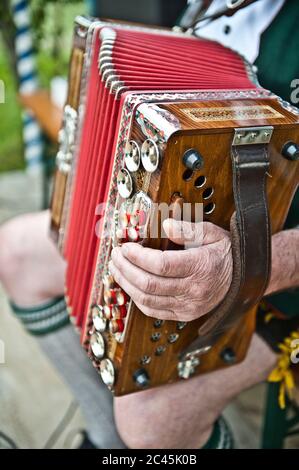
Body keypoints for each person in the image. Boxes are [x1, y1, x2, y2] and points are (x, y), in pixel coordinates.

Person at [1, 0, 299, 449]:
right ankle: (107, 444)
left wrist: (251, 265)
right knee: (16, 253)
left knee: (151, 420)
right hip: (180, 225)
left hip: (280, 281)